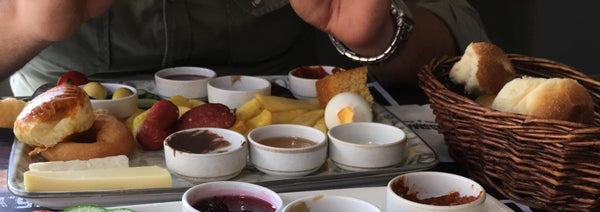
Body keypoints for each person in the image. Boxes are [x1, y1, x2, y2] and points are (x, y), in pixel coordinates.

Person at [3, 0, 487, 97]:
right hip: (51, 151)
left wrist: (380, 37)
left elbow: (470, 52)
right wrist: (20, 26)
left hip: (290, 159)